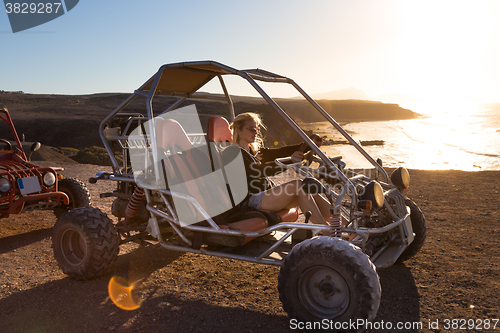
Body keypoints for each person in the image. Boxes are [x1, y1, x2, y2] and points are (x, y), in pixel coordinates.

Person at [229, 112, 330, 226]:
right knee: (298, 185)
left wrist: (307, 146)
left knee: (310, 191)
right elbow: (257, 170)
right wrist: (289, 161)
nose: (256, 132)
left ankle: (347, 228)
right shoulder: (233, 153)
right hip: (251, 200)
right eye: (252, 128)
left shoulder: (253, 151)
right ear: (238, 130)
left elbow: (280, 152)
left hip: (265, 194)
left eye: (257, 128)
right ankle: (326, 230)